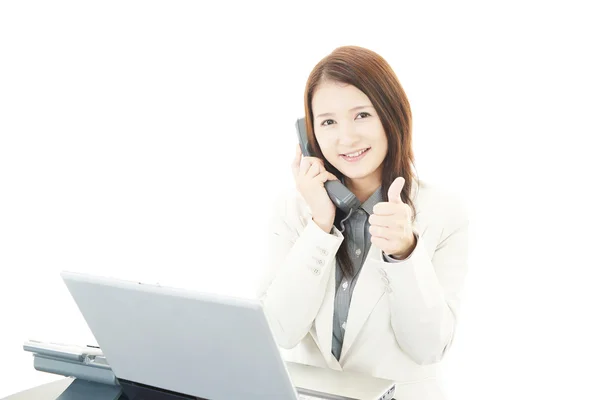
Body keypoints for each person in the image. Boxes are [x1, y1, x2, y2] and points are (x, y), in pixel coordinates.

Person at [256, 45, 469, 400]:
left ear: (392, 115)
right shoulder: (293, 210)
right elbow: (280, 331)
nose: (346, 138)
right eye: (327, 122)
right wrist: (320, 225)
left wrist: (404, 253)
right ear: (308, 136)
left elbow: (429, 347)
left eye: (361, 115)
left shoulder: (443, 211)